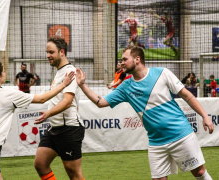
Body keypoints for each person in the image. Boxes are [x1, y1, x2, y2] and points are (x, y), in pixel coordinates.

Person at [75, 45, 214, 180]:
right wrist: (82, 85)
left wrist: (204, 115)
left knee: (199, 172)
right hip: (156, 142)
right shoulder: (125, 86)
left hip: (181, 135)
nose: (121, 63)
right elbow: (101, 102)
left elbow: (186, 95)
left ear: (137, 59)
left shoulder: (162, 73)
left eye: (124, 59)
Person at [0, 61, 75, 180]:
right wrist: (63, 84)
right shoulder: (9, 94)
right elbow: (43, 98)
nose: (5, 73)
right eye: (3, 71)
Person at [34, 37, 85, 180]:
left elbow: (67, 102)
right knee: (40, 164)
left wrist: (48, 113)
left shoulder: (70, 71)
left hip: (69, 128)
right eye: (47, 52)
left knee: (73, 172)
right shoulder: (59, 72)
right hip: (55, 128)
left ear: (62, 52)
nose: (47, 55)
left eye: (51, 52)